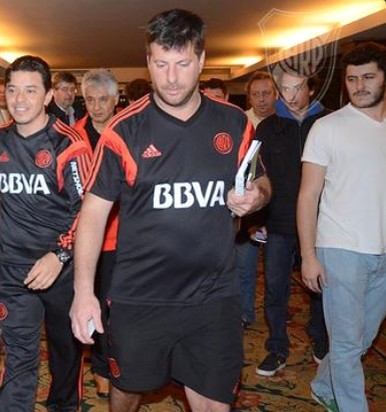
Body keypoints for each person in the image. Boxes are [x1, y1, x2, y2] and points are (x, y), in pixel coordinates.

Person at [69, 9, 271, 412]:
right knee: (125, 393)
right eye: (161, 65)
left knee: (215, 404)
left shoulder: (233, 124)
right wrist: (83, 292)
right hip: (140, 296)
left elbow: (263, 183)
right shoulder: (123, 131)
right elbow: (92, 214)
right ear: (148, 62)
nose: (171, 77)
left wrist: (256, 197)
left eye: (182, 64)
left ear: (200, 60)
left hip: (213, 296)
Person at [0, 54, 90, 412]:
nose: (19, 99)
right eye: (13, 89)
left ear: (47, 96)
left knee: (66, 356)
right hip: (14, 268)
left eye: (30, 90)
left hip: (61, 269)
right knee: (18, 355)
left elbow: (89, 209)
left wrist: (59, 255)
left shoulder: (69, 143)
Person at [298, 41, 386, 412]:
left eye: (368, 77)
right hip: (340, 249)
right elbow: (308, 195)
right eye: (352, 79)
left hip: (382, 252)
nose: (359, 85)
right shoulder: (327, 127)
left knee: (361, 339)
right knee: (348, 344)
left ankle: (322, 383)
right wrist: (308, 256)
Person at [254, 69, 330, 377]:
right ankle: (277, 347)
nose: (292, 95)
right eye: (285, 89)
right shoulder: (267, 129)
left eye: (298, 88)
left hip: (322, 223)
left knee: (321, 287)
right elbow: (259, 178)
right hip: (279, 223)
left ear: (310, 89)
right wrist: (258, 219)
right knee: (275, 288)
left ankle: (321, 338)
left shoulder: (328, 124)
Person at [73, 68, 120, 398]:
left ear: (116, 99)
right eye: (90, 100)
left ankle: (122, 358)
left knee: (121, 304)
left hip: (126, 233)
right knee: (95, 304)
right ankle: (101, 365)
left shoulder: (129, 131)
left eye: (103, 99)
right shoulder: (74, 136)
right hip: (89, 237)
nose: (97, 107)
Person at [236, 70, 277, 328]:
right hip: (248, 208)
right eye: (255, 94)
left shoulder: (286, 124)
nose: (261, 99)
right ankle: (243, 313)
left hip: (279, 207)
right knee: (244, 266)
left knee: (275, 273)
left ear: (275, 95)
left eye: (266, 93)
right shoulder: (240, 124)